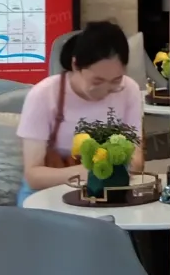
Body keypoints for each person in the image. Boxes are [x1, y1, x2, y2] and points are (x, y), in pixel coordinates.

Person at [16, 21, 144, 206]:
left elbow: (136, 160)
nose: (106, 89)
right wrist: (91, 172)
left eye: (116, 80)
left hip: (107, 193)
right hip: (46, 195)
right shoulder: (44, 94)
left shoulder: (129, 89)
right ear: (75, 65)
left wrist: (107, 172)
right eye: (97, 81)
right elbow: (33, 175)